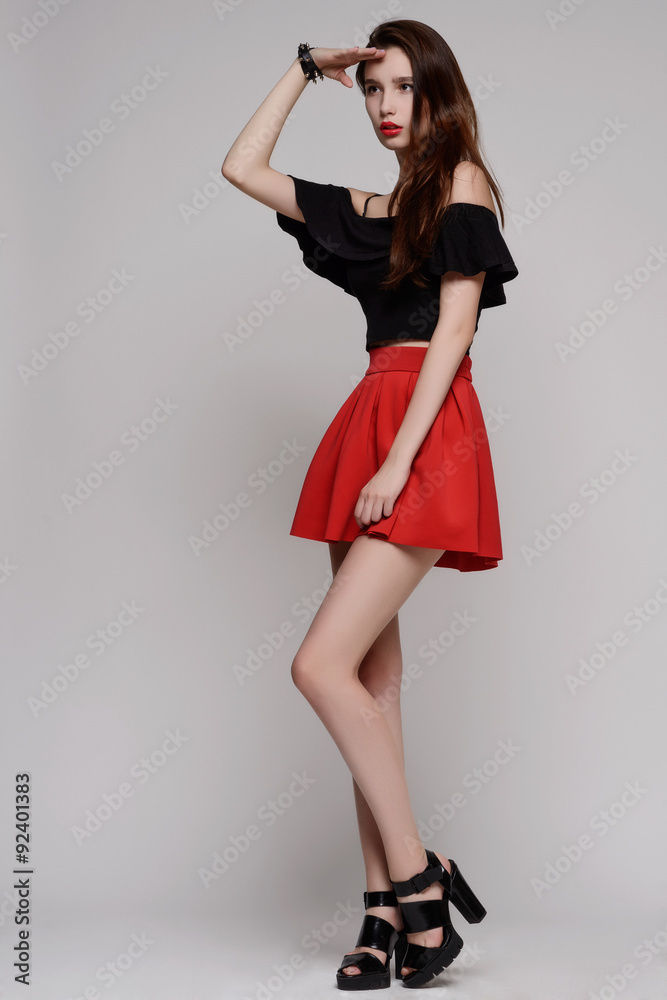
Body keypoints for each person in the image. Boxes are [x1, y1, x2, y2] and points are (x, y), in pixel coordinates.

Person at [222, 19, 518, 991]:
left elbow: (454, 330)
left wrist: (398, 460)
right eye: (373, 91)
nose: (387, 106)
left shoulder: (463, 182)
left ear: (438, 91)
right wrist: (306, 70)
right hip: (367, 424)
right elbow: (241, 165)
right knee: (368, 688)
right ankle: (386, 911)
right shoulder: (364, 208)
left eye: (402, 87)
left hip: (422, 434)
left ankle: (420, 872)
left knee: (316, 665)